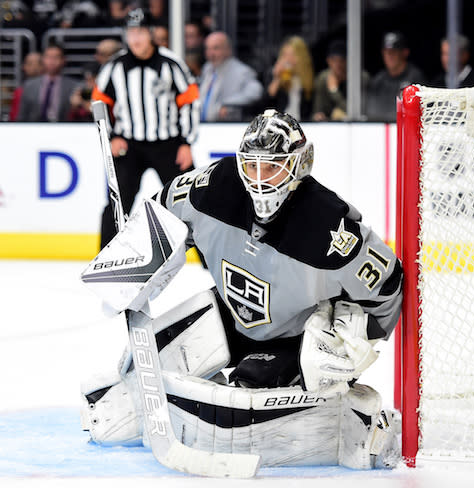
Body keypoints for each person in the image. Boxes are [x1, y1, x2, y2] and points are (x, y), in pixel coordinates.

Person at [80, 109, 403, 469]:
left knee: (242, 414)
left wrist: (353, 339)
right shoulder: (213, 188)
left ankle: (343, 413)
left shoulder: (329, 226)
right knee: (118, 407)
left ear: (299, 165)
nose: (260, 179)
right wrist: (136, 258)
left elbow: (388, 286)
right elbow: (163, 209)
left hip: (293, 337)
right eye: (252, 166)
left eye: (274, 166)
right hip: (229, 315)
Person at [91, 8, 200, 248]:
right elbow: (99, 104)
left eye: (140, 31)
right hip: (128, 145)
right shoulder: (114, 67)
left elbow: (190, 101)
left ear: (151, 33)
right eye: (130, 32)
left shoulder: (171, 64)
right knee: (117, 204)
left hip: (169, 144)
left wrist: (186, 143)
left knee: (192, 201)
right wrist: (112, 137)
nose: (136, 38)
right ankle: (105, 260)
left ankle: (210, 259)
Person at [198, 31, 263, 121]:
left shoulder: (241, 71)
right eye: (208, 49)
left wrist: (228, 104)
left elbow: (256, 92)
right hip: (203, 126)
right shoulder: (207, 68)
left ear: (228, 49)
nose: (211, 53)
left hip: (226, 126)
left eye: (216, 48)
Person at [366, 31, 426, 122]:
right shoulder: (378, 81)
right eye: (386, 52)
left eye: (393, 51)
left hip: (407, 131)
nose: (389, 56)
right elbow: (371, 112)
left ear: (404, 52)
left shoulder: (415, 79)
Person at [17, 43, 80, 122]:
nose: (52, 61)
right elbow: (22, 115)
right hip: (34, 129)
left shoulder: (74, 86)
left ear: (63, 60)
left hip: (63, 129)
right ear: (43, 59)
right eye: (48, 57)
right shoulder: (29, 85)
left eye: (56, 57)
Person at [312, 40, 369, 121]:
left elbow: (357, 112)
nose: (338, 65)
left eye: (341, 60)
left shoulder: (359, 78)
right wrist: (318, 116)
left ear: (349, 61)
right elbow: (318, 110)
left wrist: (334, 91)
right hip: (330, 126)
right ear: (328, 61)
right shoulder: (322, 79)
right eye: (334, 60)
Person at [263, 36, 314, 121]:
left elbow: (311, 108)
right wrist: (277, 79)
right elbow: (266, 107)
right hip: (280, 124)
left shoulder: (309, 78)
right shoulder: (274, 76)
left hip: (303, 124)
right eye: (285, 55)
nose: (288, 59)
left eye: (292, 55)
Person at [9, 51, 43, 121]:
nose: (34, 67)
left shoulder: (52, 90)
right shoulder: (19, 92)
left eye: (38, 63)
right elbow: (14, 118)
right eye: (29, 63)